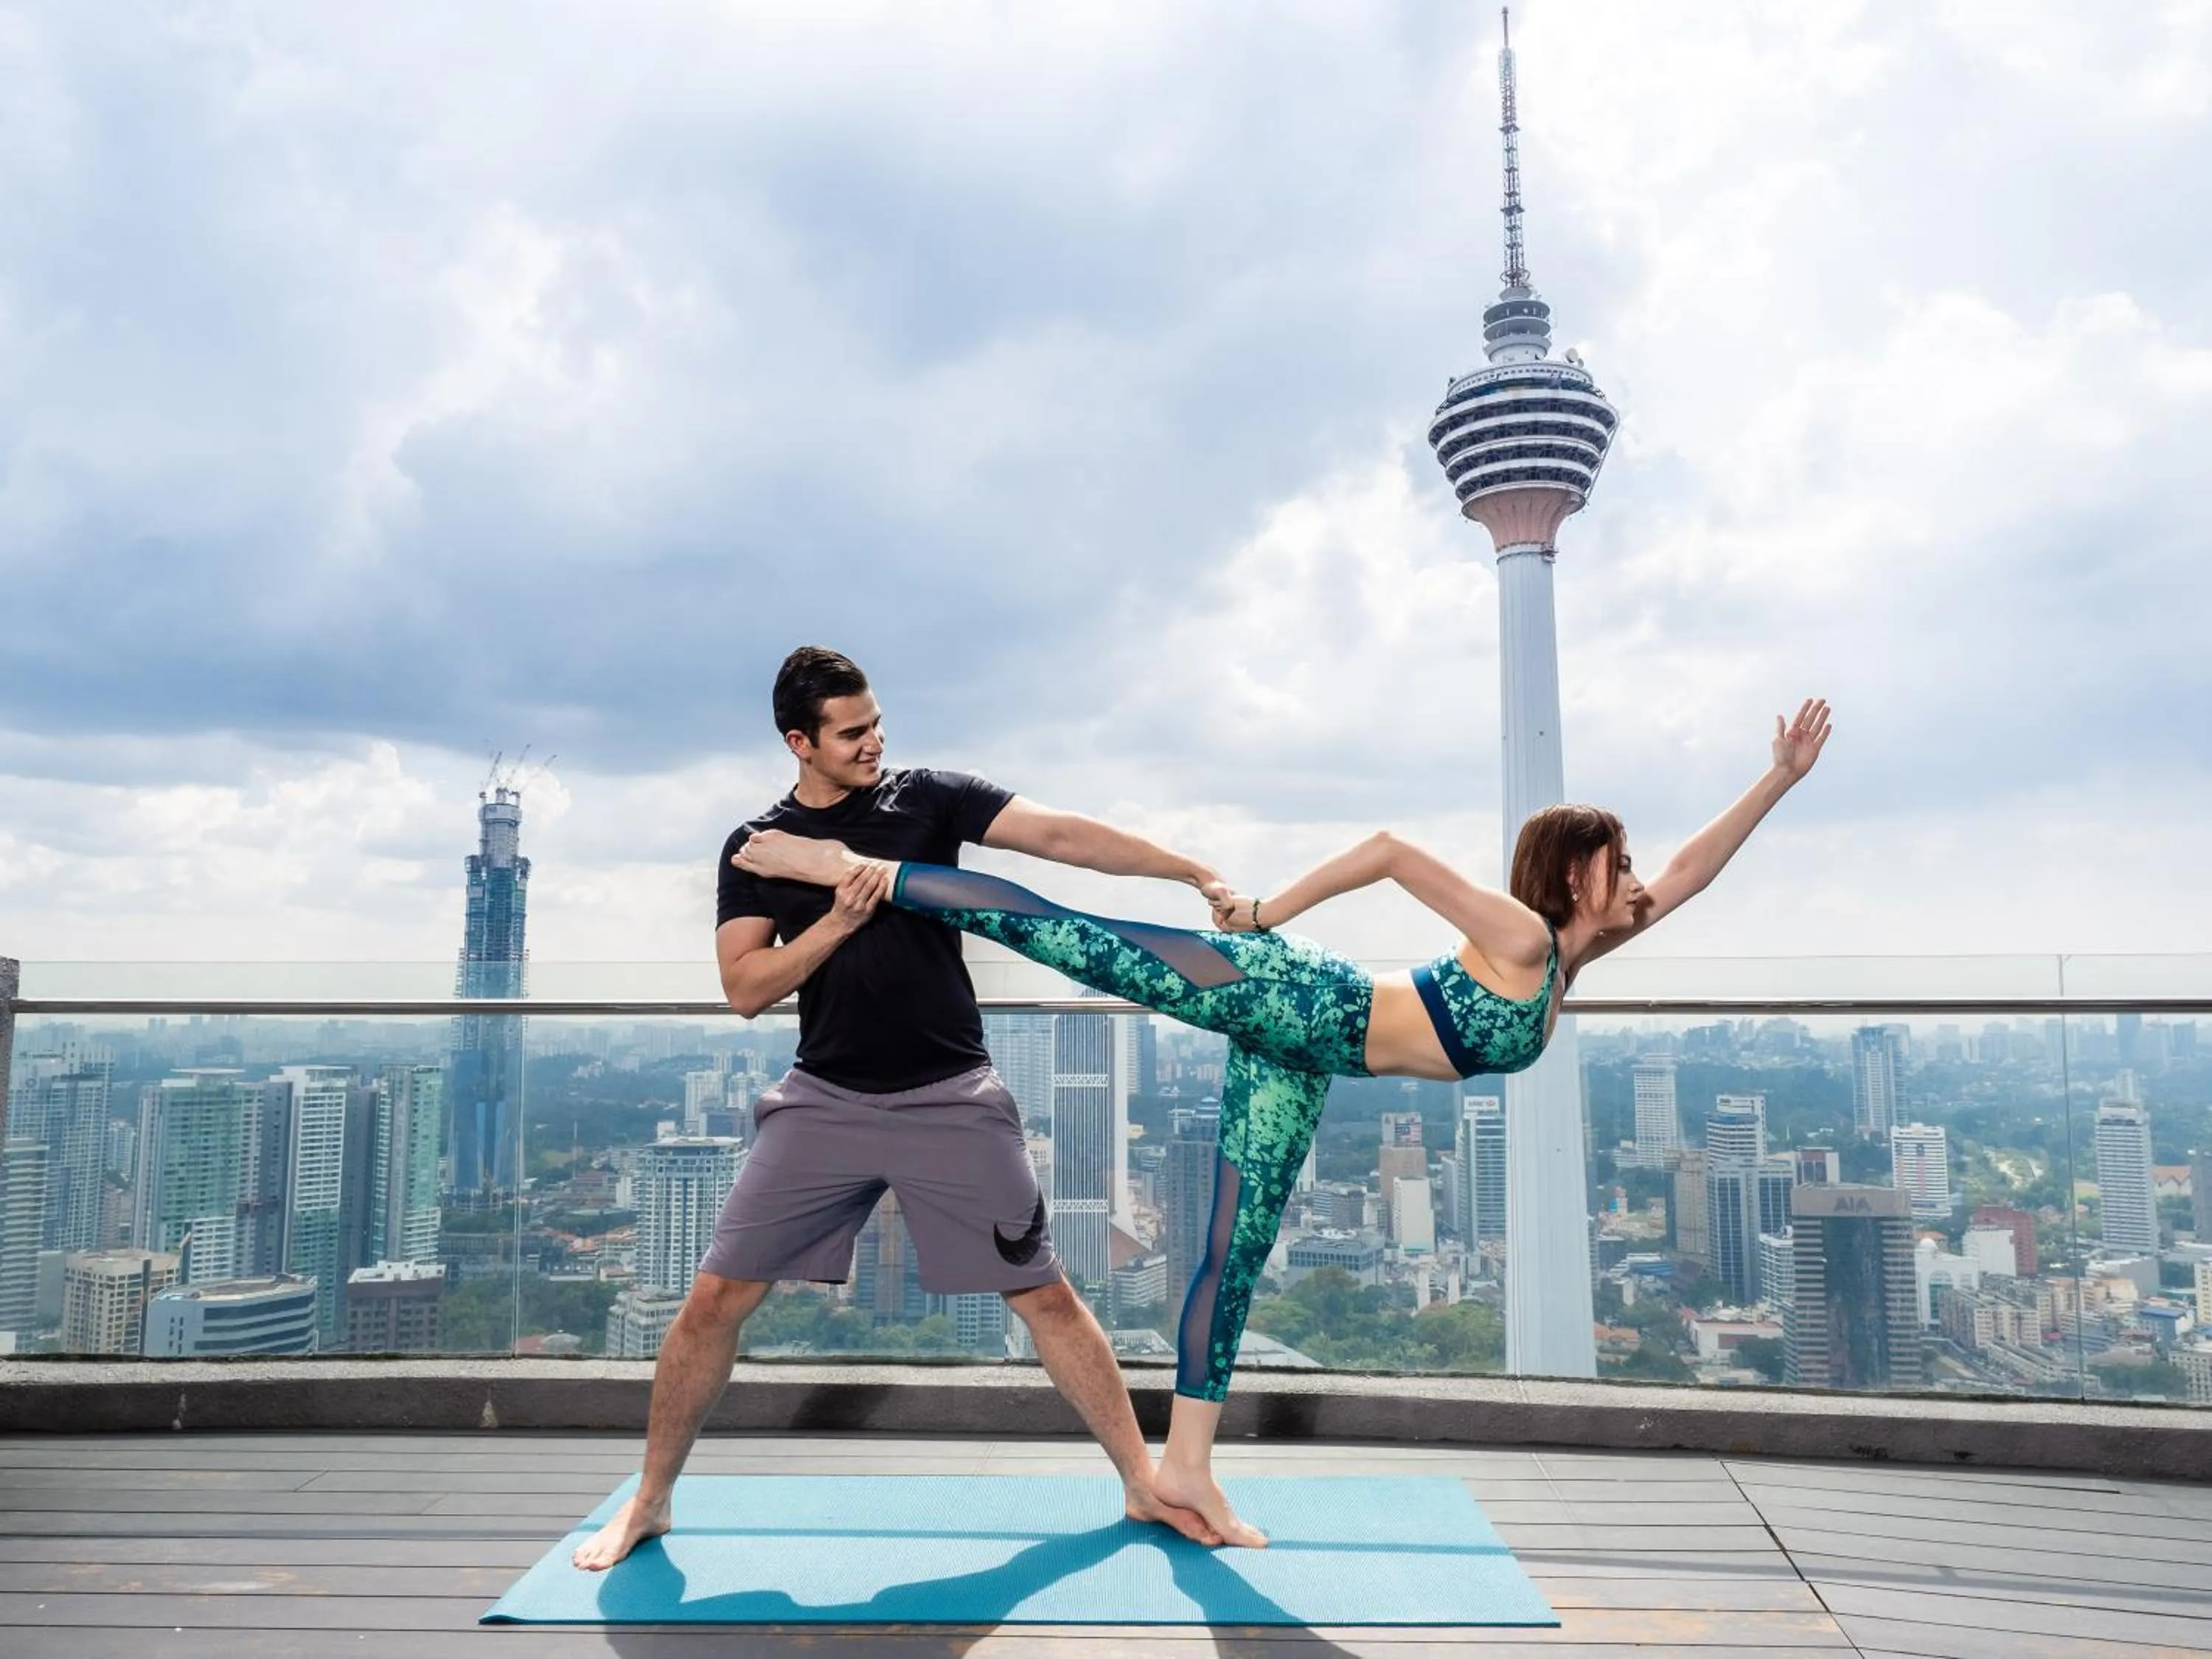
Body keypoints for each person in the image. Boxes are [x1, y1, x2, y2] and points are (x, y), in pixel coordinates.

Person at [731, 698, 1834, 1546]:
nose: (1637, 878)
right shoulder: (1527, 938)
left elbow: (1690, 873)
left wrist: (1778, 780)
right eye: (1621, 863)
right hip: (1291, 995)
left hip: (1306, 1053)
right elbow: (1394, 849)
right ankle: (859, 869)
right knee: (1069, 930)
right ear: (1580, 870)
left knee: (1233, 1250)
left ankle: (1187, 1472)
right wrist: (1265, 912)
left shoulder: (1577, 953)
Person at [574, 646, 1234, 1571]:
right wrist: (840, 919)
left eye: (878, 722)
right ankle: (649, 1502)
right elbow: (743, 986)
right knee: (715, 1299)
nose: (874, 742)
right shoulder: (757, 846)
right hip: (823, 1099)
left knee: (1043, 1293)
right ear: (799, 742)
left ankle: (1137, 1481)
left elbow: (1061, 838)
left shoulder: (927, 798)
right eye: (852, 732)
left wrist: (1186, 868)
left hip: (950, 1095)